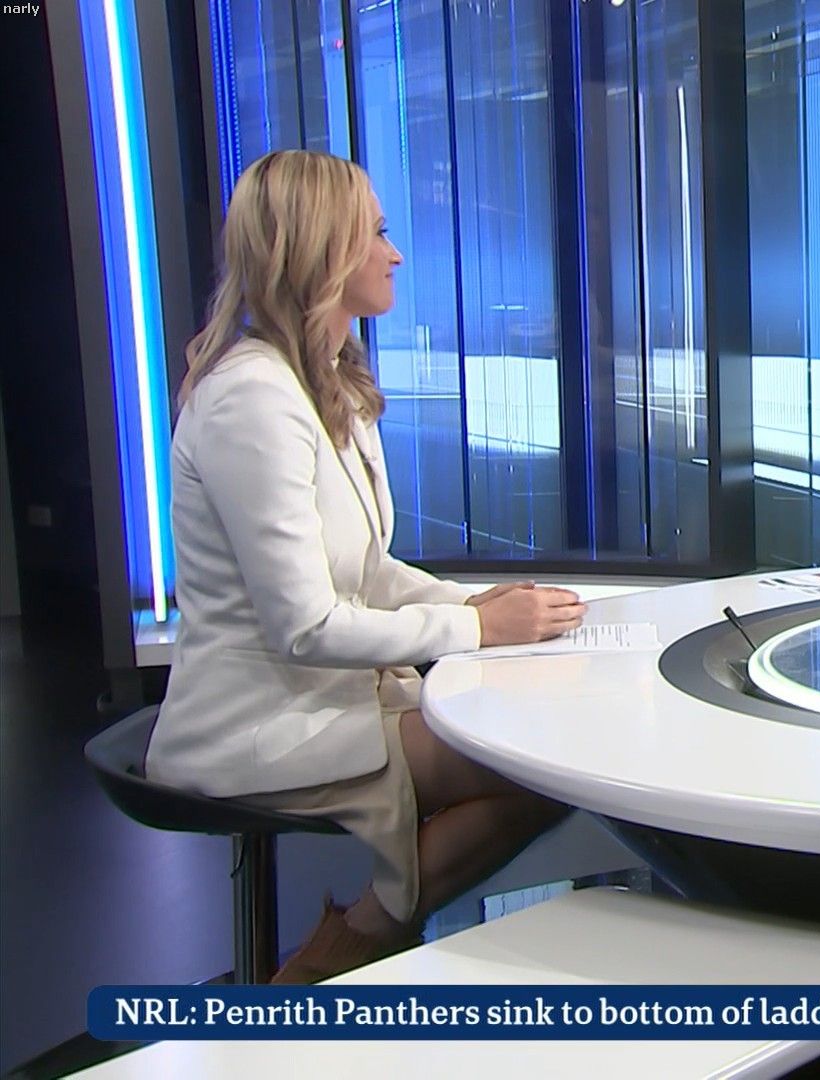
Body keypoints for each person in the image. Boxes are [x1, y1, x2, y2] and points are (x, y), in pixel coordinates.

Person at [147, 150, 586, 983]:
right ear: (319, 249)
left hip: (334, 697)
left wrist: (479, 607)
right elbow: (306, 625)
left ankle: (351, 951)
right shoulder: (251, 398)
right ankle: (337, 958)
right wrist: (473, 630)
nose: (396, 253)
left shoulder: (327, 380)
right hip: (257, 723)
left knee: (542, 749)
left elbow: (367, 569)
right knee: (540, 766)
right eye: (376, 233)